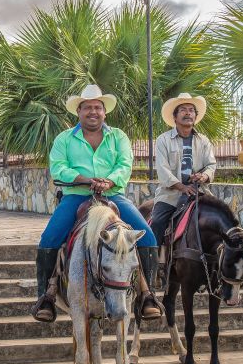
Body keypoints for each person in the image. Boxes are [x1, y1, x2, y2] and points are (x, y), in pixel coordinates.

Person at [31, 84, 162, 323]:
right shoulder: (64, 139)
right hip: (77, 196)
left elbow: (124, 165)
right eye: (88, 107)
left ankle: (147, 295)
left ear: (104, 112)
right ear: (78, 112)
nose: (93, 112)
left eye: (98, 108)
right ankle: (45, 297)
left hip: (113, 196)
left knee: (149, 237)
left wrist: (109, 182)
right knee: (49, 238)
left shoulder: (118, 136)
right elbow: (58, 168)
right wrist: (86, 180)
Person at [149, 93, 217, 251]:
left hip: (200, 193)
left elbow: (211, 164)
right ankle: (152, 265)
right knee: (157, 223)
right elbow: (163, 170)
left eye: (191, 110)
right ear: (175, 117)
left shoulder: (204, 141)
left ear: (195, 115)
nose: (188, 113)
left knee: (225, 218)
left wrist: (204, 175)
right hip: (170, 195)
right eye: (183, 110)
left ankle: (224, 266)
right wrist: (182, 187)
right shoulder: (163, 140)